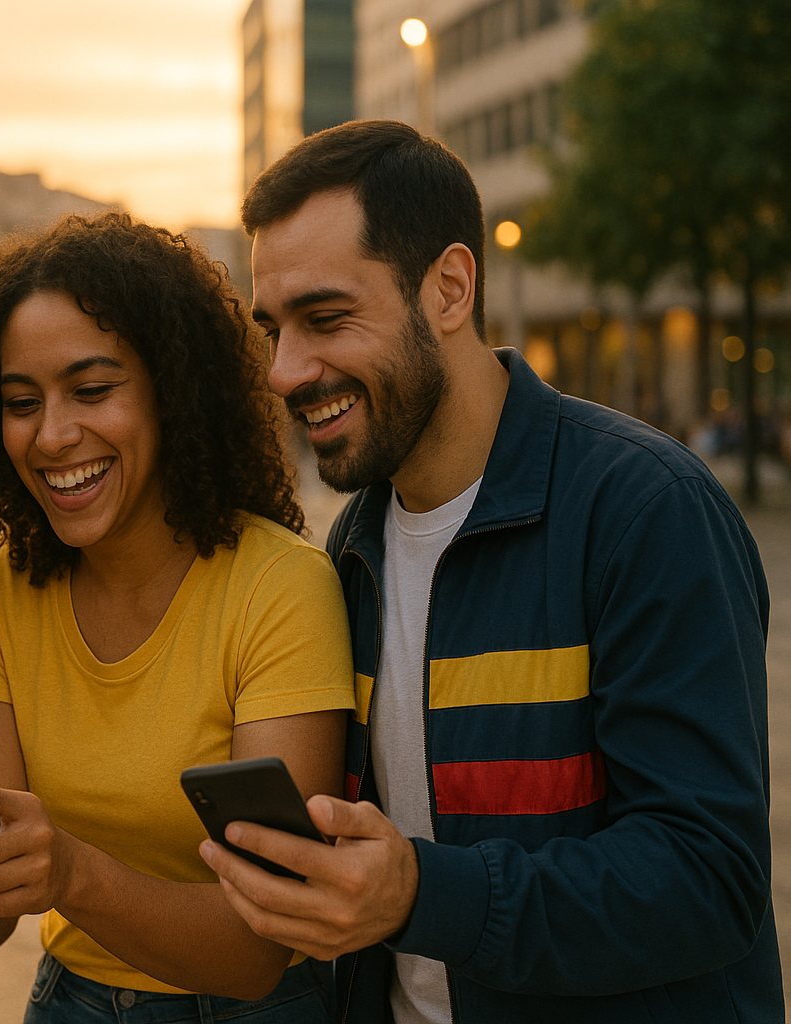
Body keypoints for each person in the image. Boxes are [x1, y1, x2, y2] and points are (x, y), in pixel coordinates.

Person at [200, 119, 782, 1023]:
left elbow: (709, 880)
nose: (283, 371)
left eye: (325, 319)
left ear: (450, 288)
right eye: (273, 330)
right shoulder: (350, 546)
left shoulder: (645, 510)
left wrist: (420, 894)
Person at [0, 211, 355, 1022]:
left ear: (173, 390)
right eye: (22, 402)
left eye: (92, 390)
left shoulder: (280, 590)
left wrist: (69, 874)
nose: (53, 436)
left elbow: (256, 949)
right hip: (72, 1001)